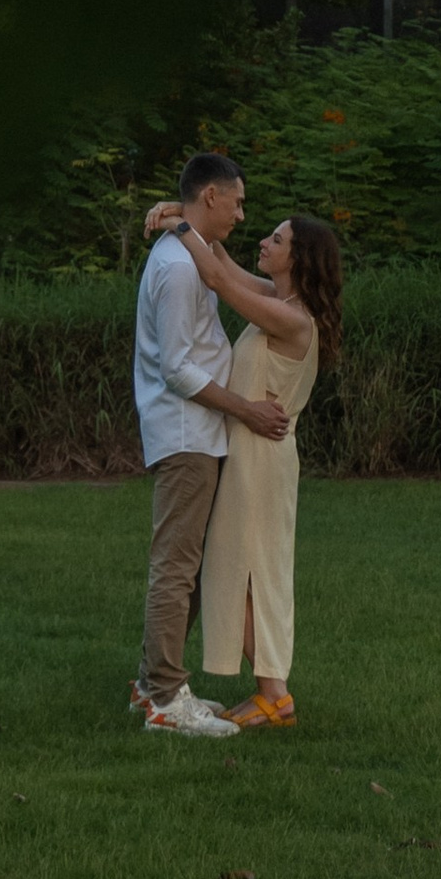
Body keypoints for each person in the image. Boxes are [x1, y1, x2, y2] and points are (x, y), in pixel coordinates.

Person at [143, 195, 342, 730]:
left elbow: (219, 281)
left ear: (298, 260)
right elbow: (222, 264)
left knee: (252, 572)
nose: (262, 241)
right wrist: (183, 213)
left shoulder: (292, 318)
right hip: (249, 451)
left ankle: (275, 694)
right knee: (237, 568)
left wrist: (180, 223)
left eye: (276, 240)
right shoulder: (277, 299)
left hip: (261, 459)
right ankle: (264, 690)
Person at [129, 150, 288, 738]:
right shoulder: (174, 268)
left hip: (201, 434)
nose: (243, 216)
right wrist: (246, 409)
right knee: (176, 568)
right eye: (239, 202)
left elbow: (223, 276)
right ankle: (166, 700)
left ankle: (154, 683)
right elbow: (176, 369)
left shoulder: (191, 256)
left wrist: (179, 220)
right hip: (184, 434)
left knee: (189, 570)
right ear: (212, 197)